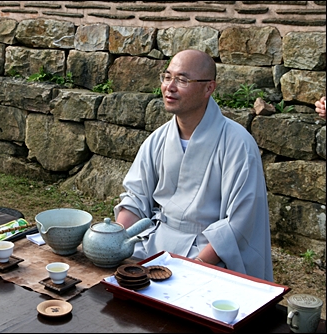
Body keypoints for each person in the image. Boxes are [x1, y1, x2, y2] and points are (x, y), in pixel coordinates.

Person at [114, 49, 274, 281]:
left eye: (182, 80)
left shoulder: (238, 144)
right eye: (167, 77)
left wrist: (195, 265)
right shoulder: (158, 139)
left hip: (209, 253)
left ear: (209, 88)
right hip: (156, 246)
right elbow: (136, 198)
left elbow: (240, 221)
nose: (170, 86)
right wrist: (116, 238)